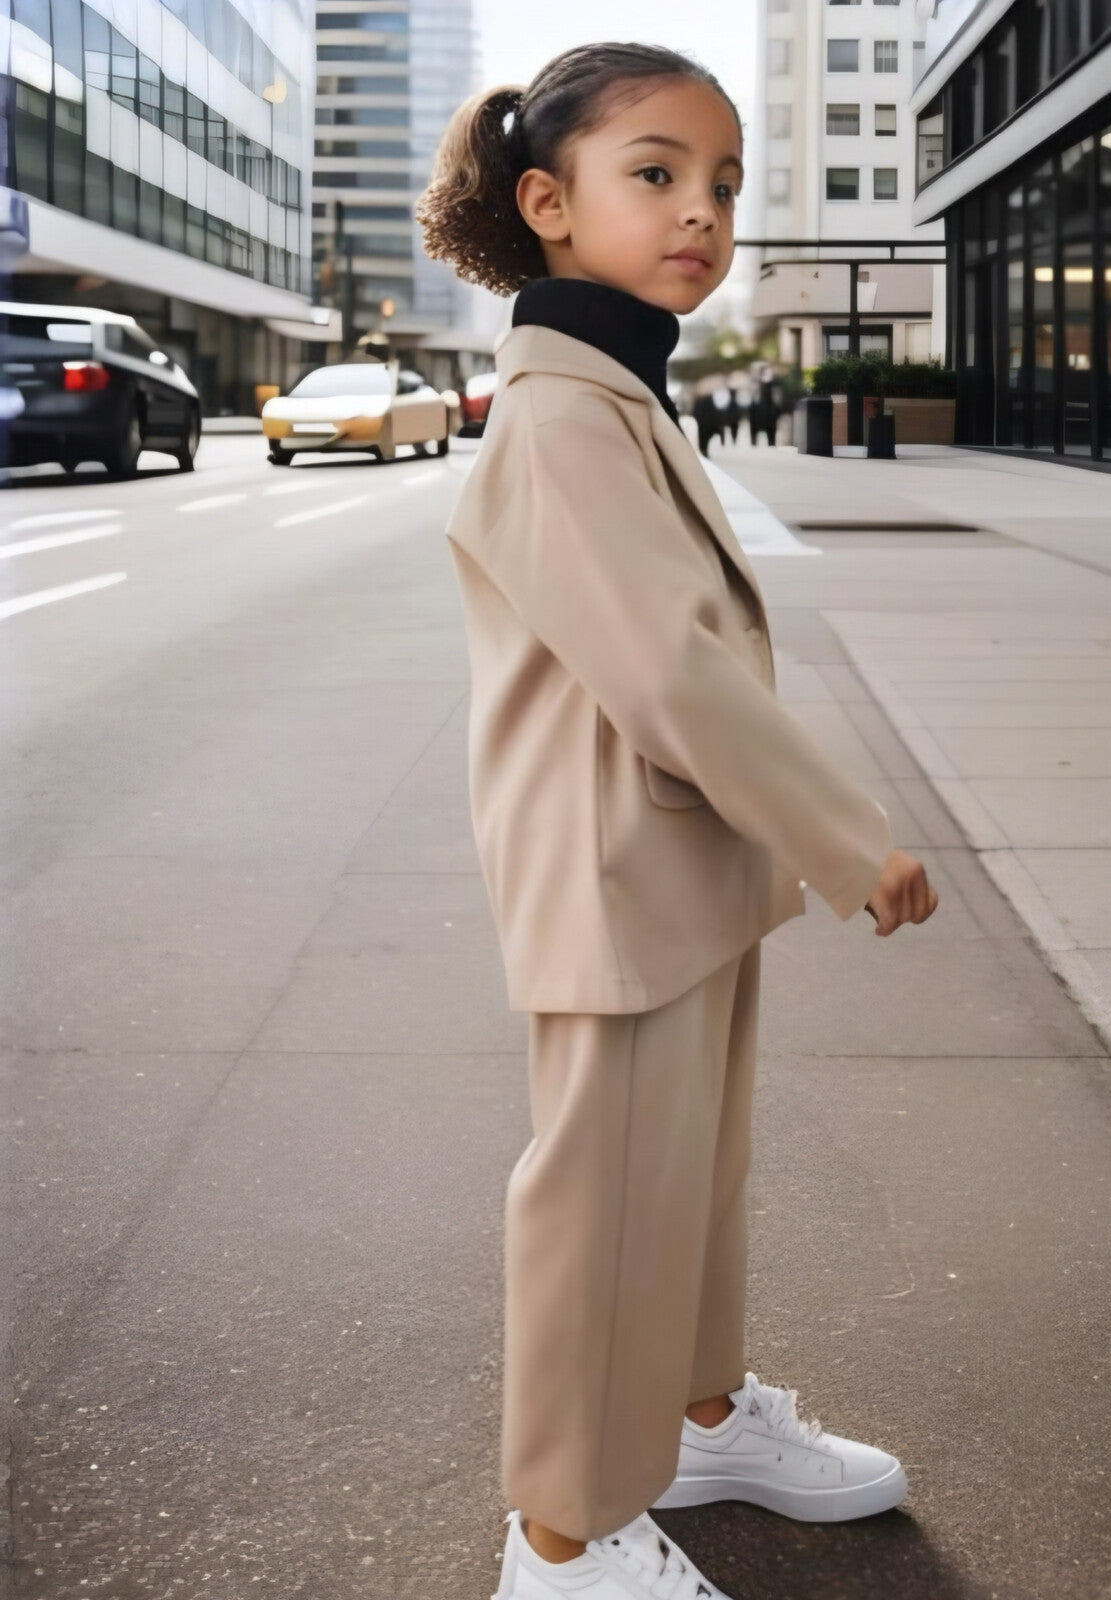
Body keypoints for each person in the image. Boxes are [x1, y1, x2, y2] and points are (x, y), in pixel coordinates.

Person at [416, 42, 939, 1600]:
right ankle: (564, 1536)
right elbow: (666, 673)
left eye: (720, 183)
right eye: (655, 174)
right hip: (615, 876)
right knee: (606, 1198)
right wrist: (849, 838)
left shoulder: (616, 389)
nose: (700, 211)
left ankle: (700, 1422)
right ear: (546, 203)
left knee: (690, 1179)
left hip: (676, 864)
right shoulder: (563, 417)